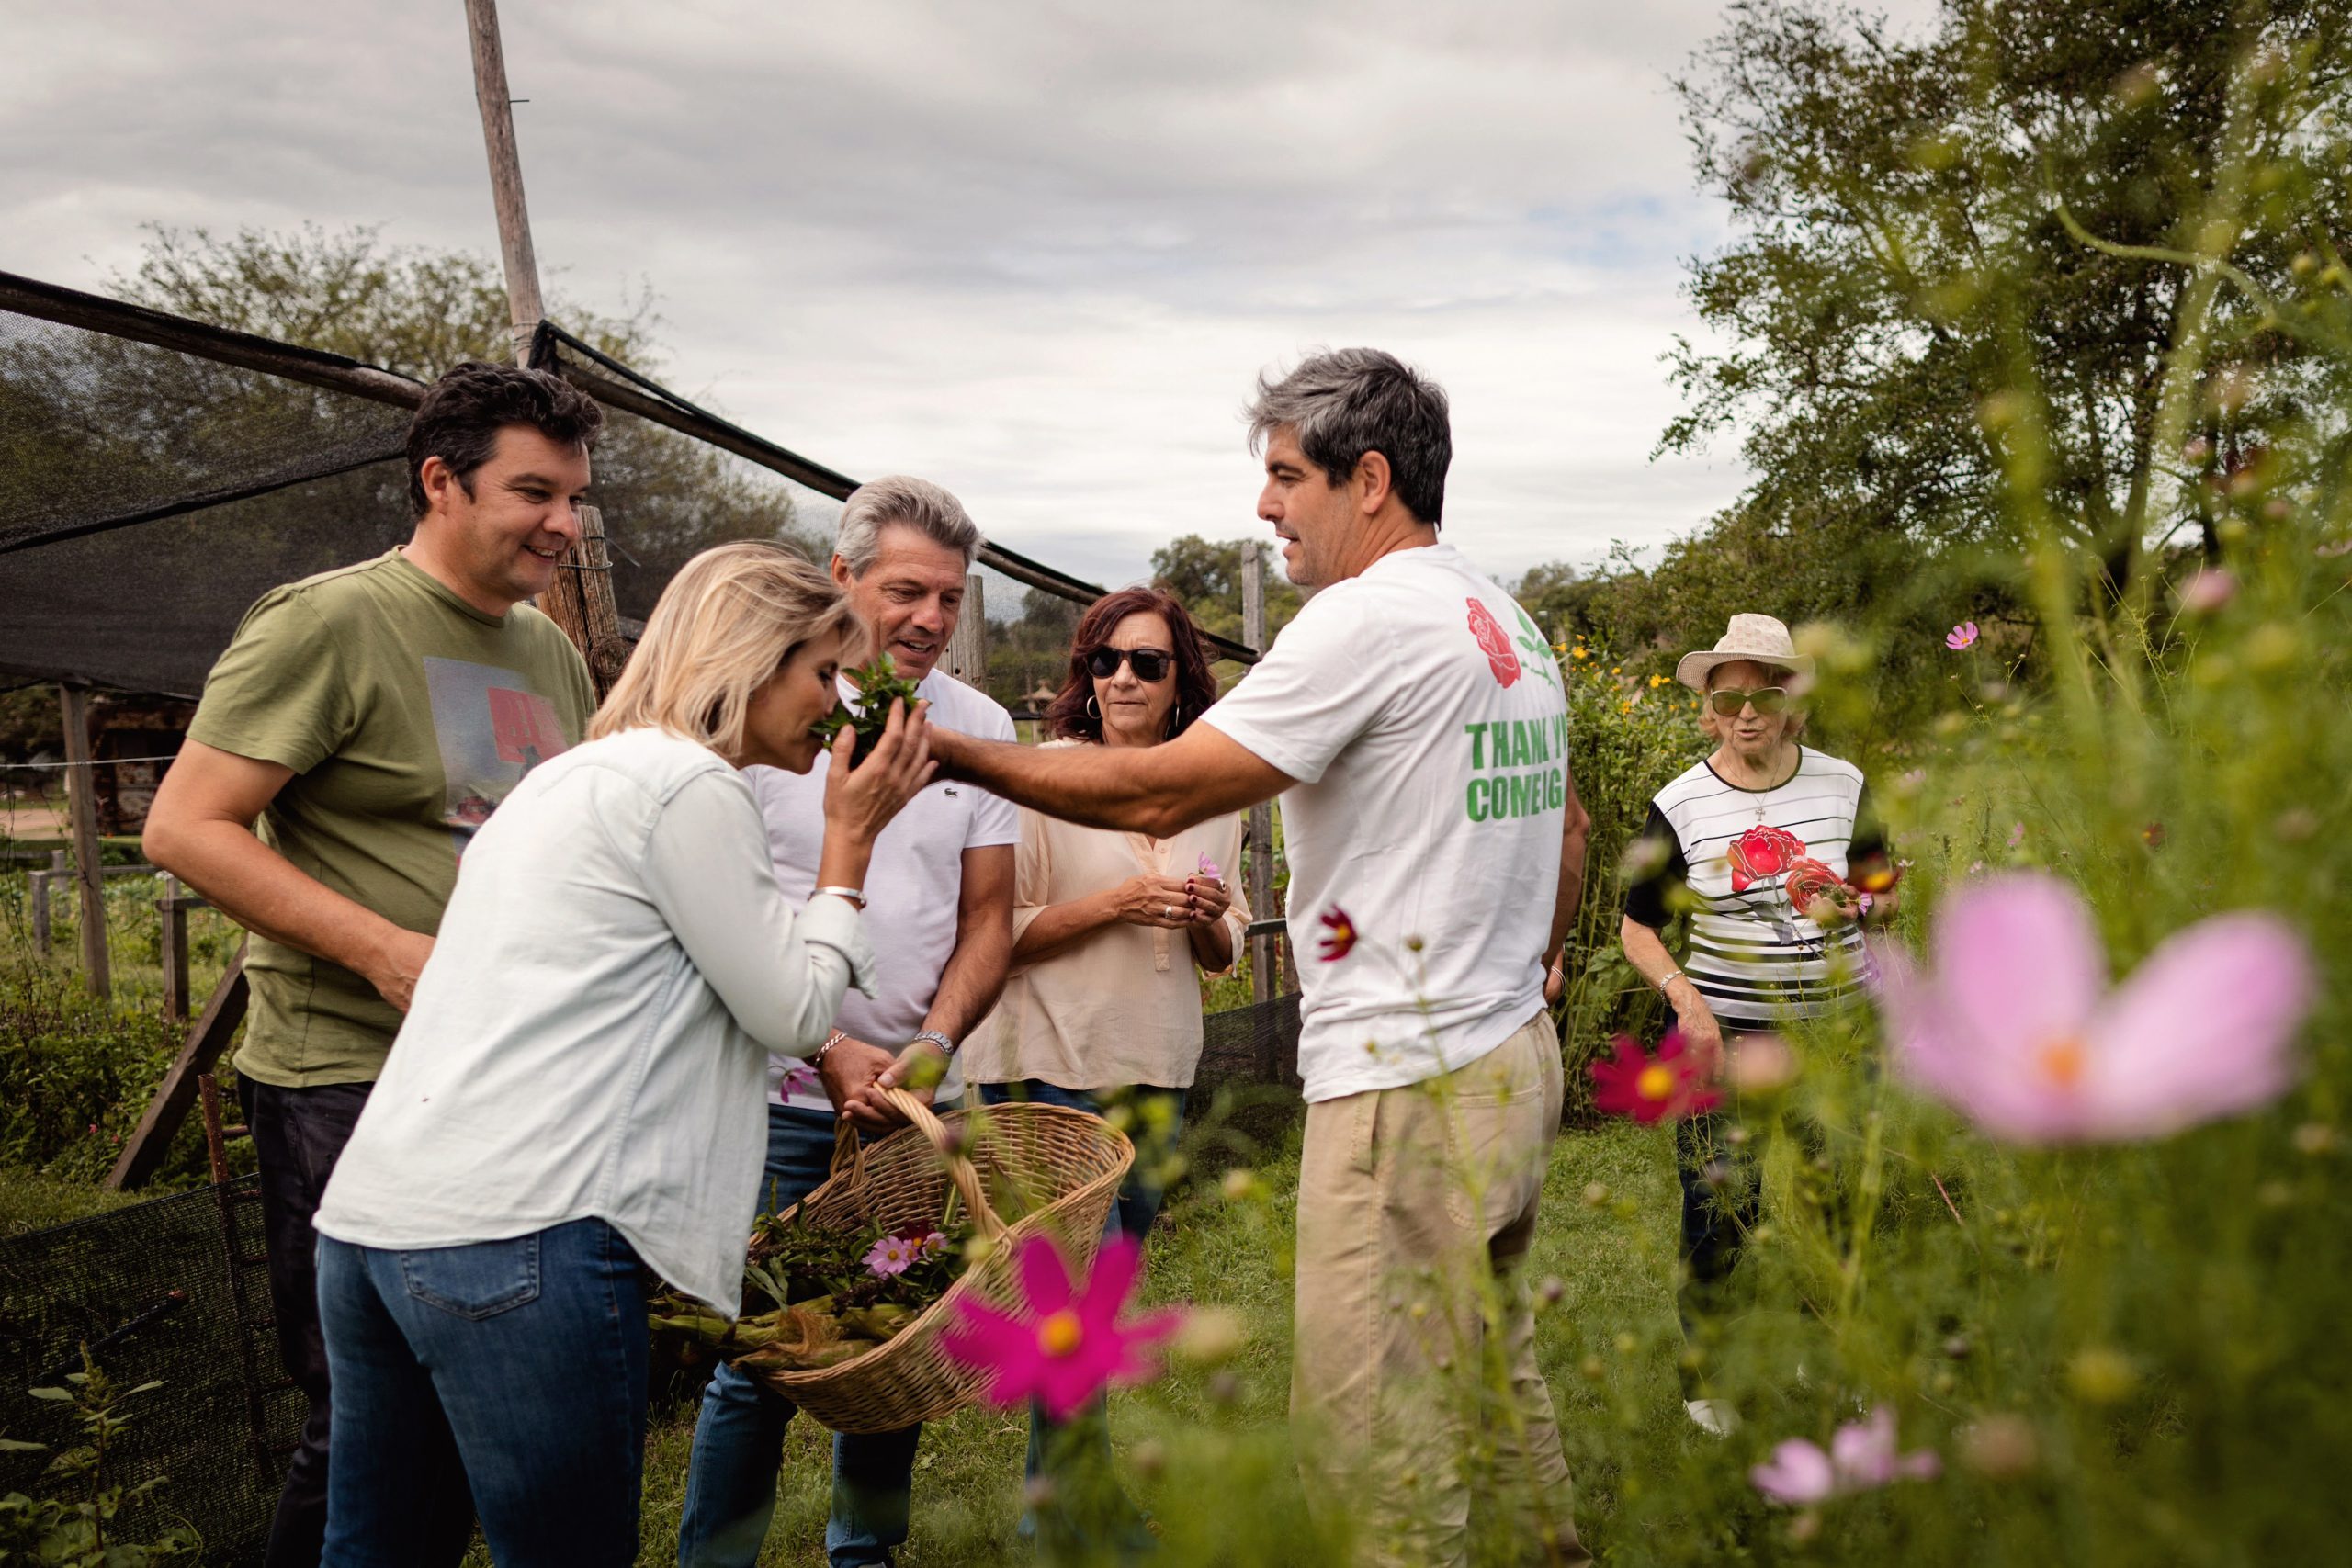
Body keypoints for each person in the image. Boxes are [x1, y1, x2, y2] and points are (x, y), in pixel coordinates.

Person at [888, 349, 1594, 1568]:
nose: (1265, 506)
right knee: (1490, 1373)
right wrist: (1532, 962)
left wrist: (951, 753)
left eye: (1284, 476)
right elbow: (1571, 829)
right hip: (1510, 1053)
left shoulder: (1366, 618)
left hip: (1409, 1084)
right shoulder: (1506, 621)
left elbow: (1163, 779)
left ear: (1368, 479)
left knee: (1376, 1443)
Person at [307, 542, 935, 1565]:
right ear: (750, 658)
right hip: (523, 1232)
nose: (836, 706)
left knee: (378, 1551)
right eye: (823, 673)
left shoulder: (569, 780)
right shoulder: (689, 785)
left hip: (378, 1224)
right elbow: (787, 1005)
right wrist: (848, 846)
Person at [142, 360, 605, 1568]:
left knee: (471, 1405)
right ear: (439, 482)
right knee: (362, 1421)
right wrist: (386, 948)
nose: (563, 523)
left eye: (574, 498)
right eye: (534, 492)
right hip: (346, 1076)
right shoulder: (330, 619)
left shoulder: (549, 654)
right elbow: (185, 824)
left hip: (504, 1079)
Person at [679, 477, 1018, 1568]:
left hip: (914, 1101)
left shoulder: (982, 728)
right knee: (763, 1363)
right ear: (842, 577)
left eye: (950, 598)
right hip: (779, 1093)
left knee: (895, 1346)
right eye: (906, 590)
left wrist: (931, 1049)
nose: (929, 618)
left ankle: (859, 1561)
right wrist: (823, 1044)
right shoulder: (766, 720)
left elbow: (989, 920)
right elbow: (717, 919)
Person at [960, 584, 1250, 1548]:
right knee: (1068, 1312)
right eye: (1106, 661)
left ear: (1180, 684)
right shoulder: (1046, 777)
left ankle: (1071, 1504)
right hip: (1049, 1067)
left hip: (1156, 1069)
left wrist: (1205, 912)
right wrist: (1117, 904)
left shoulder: (1213, 789)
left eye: (1147, 663)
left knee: (1101, 1307)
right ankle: (1074, 1517)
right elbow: (996, 932)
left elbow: (1231, 946)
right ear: (1085, 675)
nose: (1123, 678)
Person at [1618, 613, 1894, 1436]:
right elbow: (1635, 925)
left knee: (1834, 1202)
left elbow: (1881, 897)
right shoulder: (1680, 802)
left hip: (1833, 1036)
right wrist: (1686, 1000)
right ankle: (1709, 1375)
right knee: (1716, 1206)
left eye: (1765, 692)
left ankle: (1829, 1352)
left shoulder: (1844, 785)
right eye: (1729, 694)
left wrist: (1867, 903)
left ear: (1792, 702)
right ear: (1709, 704)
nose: (1747, 710)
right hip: (1723, 1038)